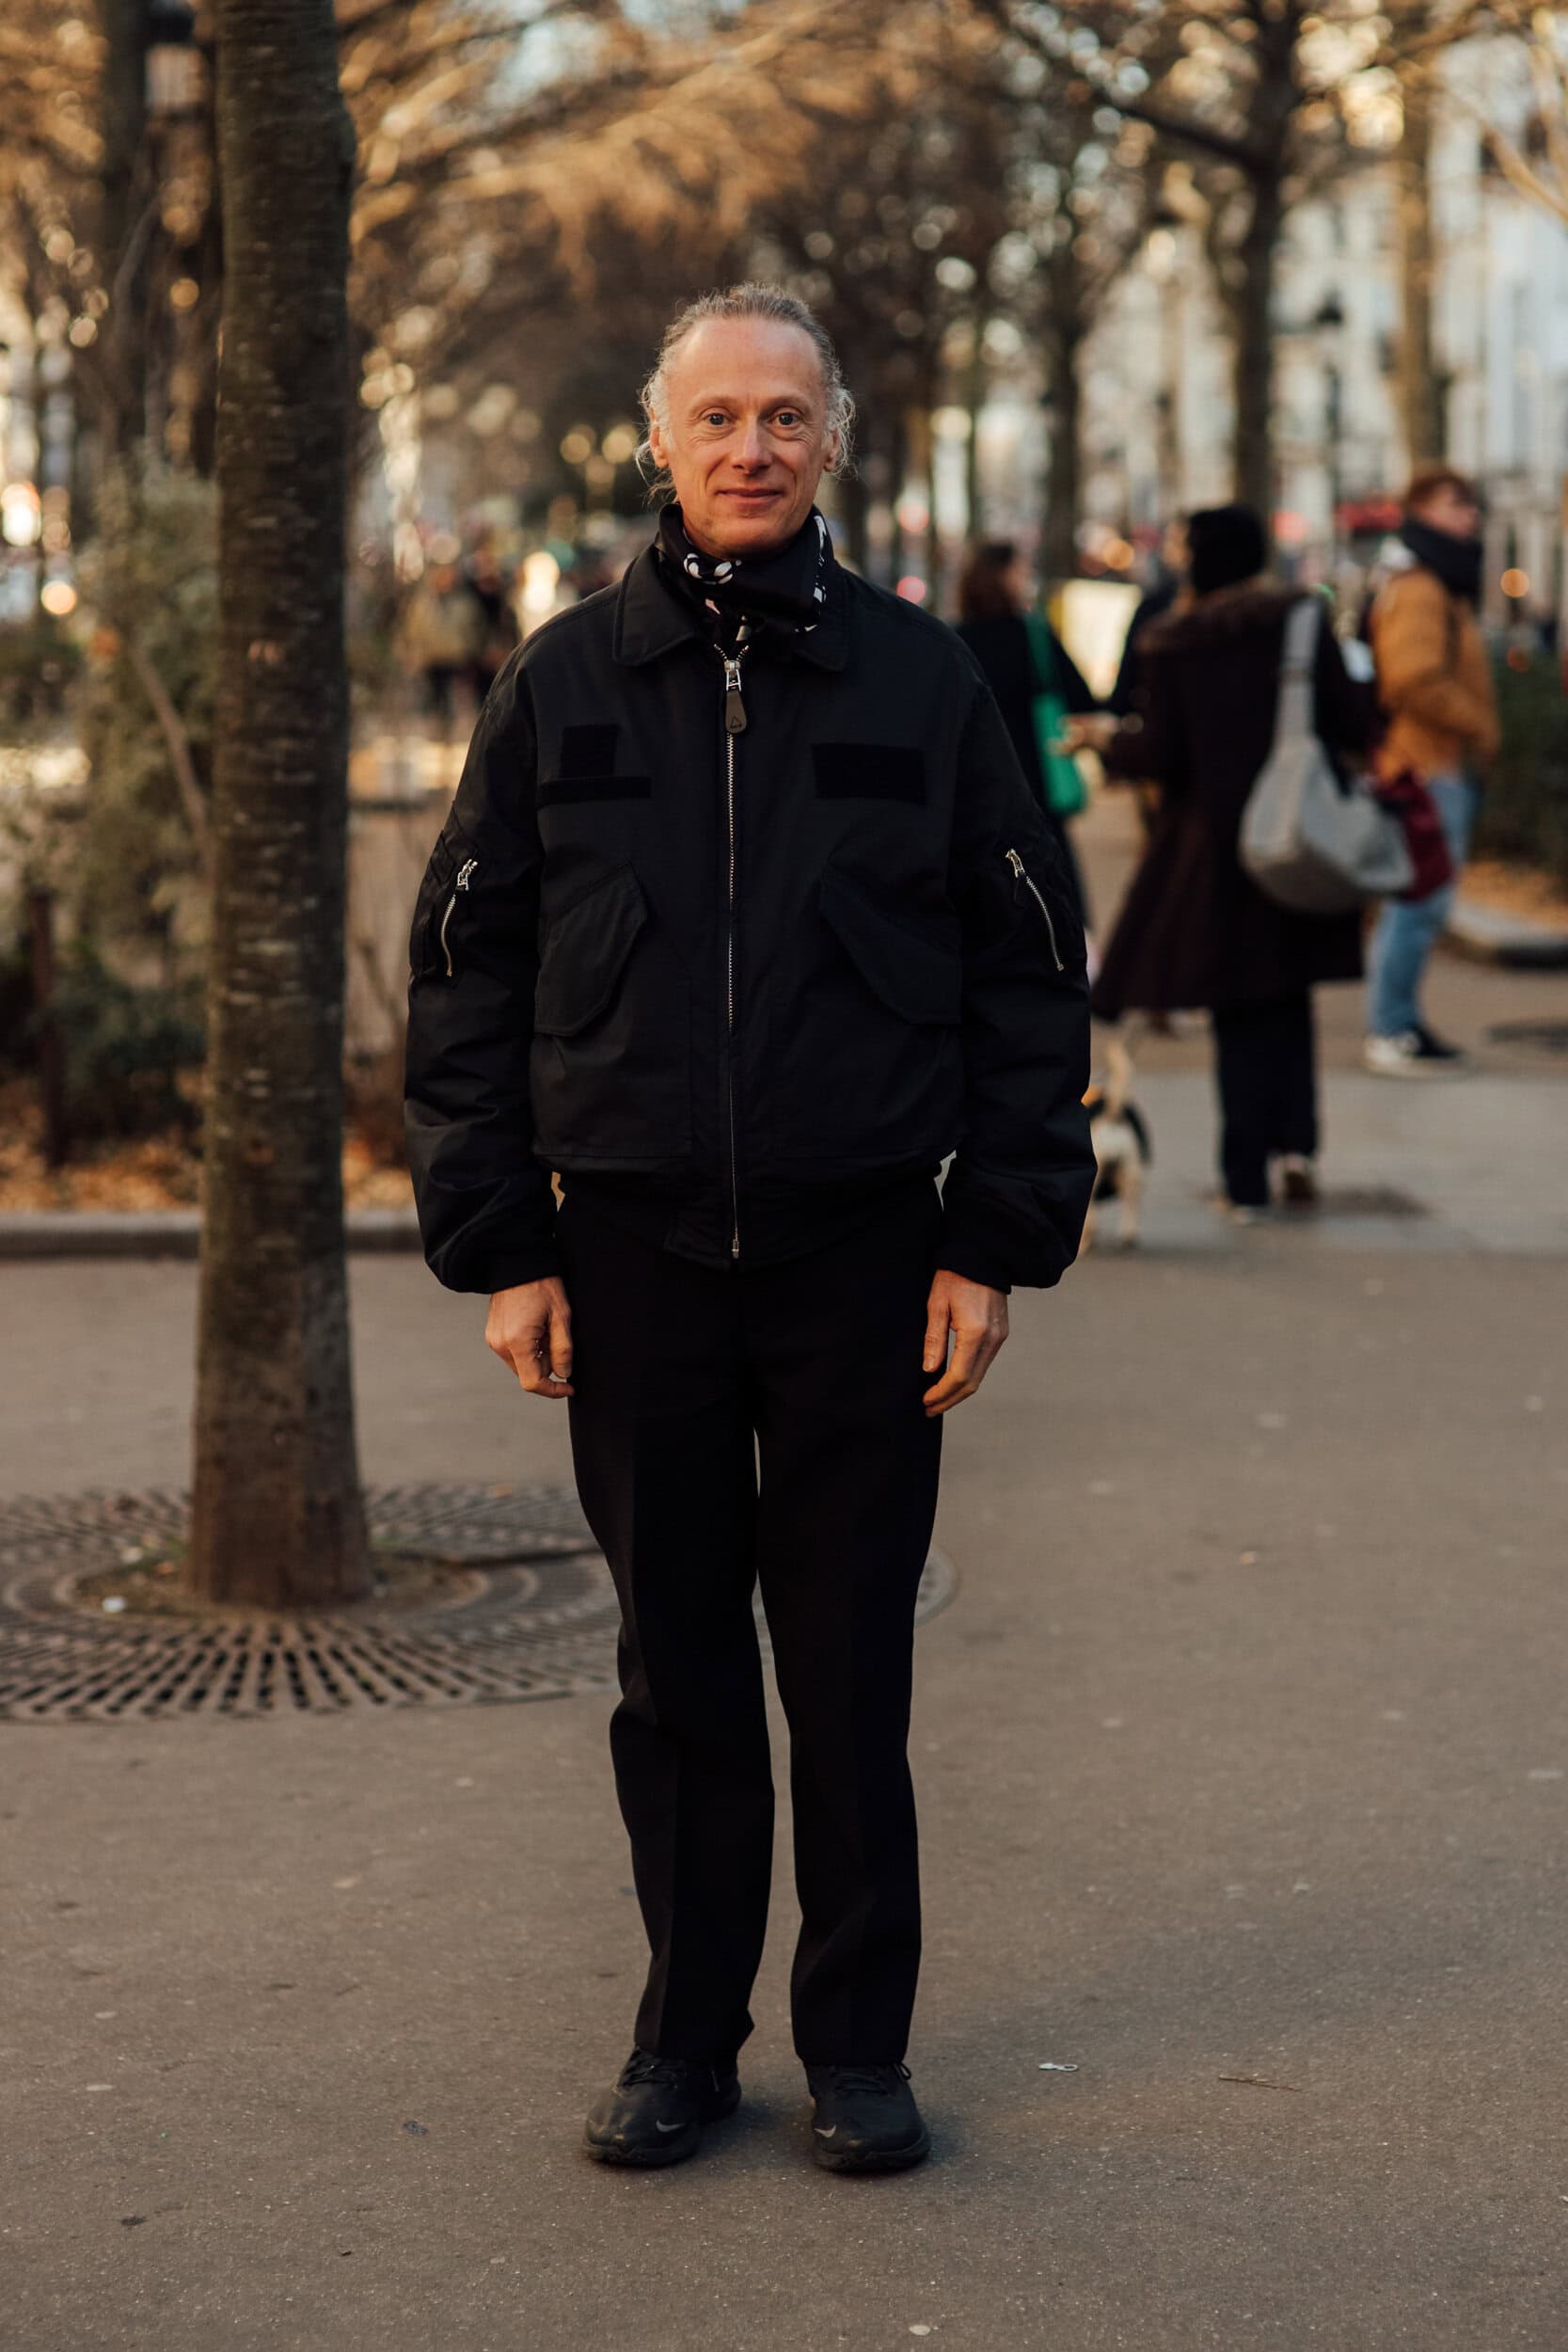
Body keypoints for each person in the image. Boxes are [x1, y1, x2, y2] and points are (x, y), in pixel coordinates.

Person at [404, 285, 1094, 2175]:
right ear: (658, 440)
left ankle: (856, 2046)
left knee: (848, 1669)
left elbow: (1029, 968)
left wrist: (995, 1238)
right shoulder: (559, 681)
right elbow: (463, 972)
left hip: (865, 1252)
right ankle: (682, 2037)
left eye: (783, 415)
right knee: (677, 1672)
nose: (748, 445)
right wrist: (502, 1240)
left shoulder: (920, 681)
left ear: (829, 445)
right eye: (714, 415)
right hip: (626, 1257)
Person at [1091, 504, 1376, 1216]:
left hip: (1213, 850)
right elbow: (1353, 722)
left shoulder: (1175, 642)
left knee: (1235, 1009)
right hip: (1295, 834)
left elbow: (1162, 754)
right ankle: (1298, 1148)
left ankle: (1242, 1176)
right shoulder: (1302, 623)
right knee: (1288, 998)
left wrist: (1104, 742)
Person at [1363, 467, 1498, 1074]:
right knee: (1418, 902)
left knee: (1418, 900)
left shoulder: (1432, 581)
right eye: (1453, 506)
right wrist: (1477, 722)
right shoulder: (1420, 586)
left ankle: (1399, 1021)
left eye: (1470, 506)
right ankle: (1389, 1029)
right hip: (1428, 764)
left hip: (1429, 761)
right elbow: (1413, 678)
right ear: (1419, 512)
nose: (1467, 516)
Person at [953, 539, 1098, 920]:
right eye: (1021, 571)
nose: (1027, 579)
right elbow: (1083, 698)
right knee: (1054, 895)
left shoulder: (955, 642)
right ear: (1002, 577)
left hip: (976, 787)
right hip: (1038, 780)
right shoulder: (1033, 636)